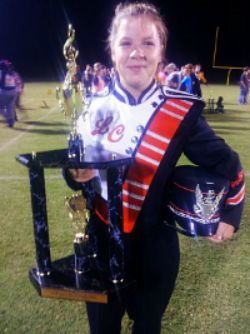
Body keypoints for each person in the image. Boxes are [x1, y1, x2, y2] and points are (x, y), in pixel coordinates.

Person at [63, 3, 245, 333]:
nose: (137, 53)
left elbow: (228, 163)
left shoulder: (180, 110)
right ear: (112, 50)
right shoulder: (90, 108)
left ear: (161, 51)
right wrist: (75, 174)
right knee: (102, 328)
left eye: (148, 43)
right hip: (101, 241)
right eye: (126, 43)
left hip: (155, 249)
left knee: (148, 326)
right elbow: (75, 170)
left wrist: (230, 215)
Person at [0, 59, 17, 127]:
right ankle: (11, 123)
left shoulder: (1, 72)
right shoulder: (12, 72)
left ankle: (9, 119)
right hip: (13, 91)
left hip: (5, 92)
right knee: (10, 108)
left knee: (1, 108)